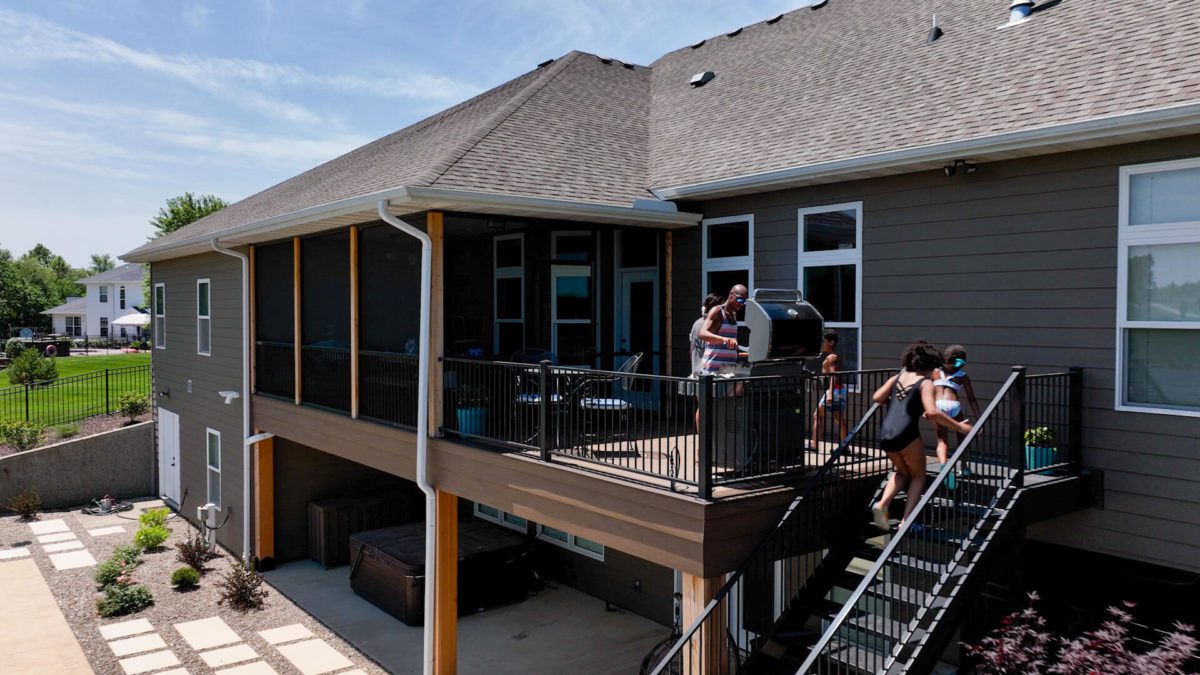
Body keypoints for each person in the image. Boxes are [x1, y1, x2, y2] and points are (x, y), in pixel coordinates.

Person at [870, 341, 972, 530]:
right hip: (906, 433)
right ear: (930, 364)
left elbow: (877, 397)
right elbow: (932, 412)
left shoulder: (898, 377)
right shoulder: (924, 383)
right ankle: (907, 522)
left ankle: (882, 504)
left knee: (901, 471)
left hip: (885, 433)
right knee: (918, 476)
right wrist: (959, 427)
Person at [931, 344, 981, 489]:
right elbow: (972, 399)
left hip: (938, 406)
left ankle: (943, 465)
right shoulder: (962, 376)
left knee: (942, 440)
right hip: (954, 406)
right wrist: (979, 418)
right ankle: (964, 468)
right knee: (962, 437)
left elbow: (928, 390)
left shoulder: (935, 372)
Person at [686, 293, 725, 430]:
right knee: (711, 409)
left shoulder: (697, 323)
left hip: (697, 371)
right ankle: (708, 444)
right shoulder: (711, 324)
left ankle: (703, 443)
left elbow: (691, 348)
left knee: (702, 407)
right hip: (708, 372)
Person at [808, 329, 848, 451]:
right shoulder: (833, 356)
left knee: (817, 415)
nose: (821, 344)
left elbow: (833, 375)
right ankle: (844, 447)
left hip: (835, 390)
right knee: (837, 417)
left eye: (823, 341)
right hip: (839, 390)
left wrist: (830, 393)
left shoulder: (831, 357)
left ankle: (814, 445)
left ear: (831, 342)